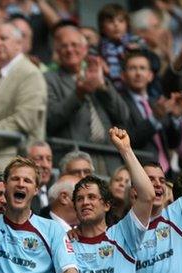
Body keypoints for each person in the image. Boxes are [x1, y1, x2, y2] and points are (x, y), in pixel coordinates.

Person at [65, 128, 154, 273]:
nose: (85, 202)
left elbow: (147, 196)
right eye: (80, 199)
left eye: (92, 197)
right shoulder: (66, 242)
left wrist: (125, 150)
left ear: (106, 205)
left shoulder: (124, 235)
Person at [46, 25, 130, 176]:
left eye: (74, 45)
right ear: (57, 52)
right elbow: (51, 120)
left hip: (108, 158)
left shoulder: (95, 73)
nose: (70, 49)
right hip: (75, 158)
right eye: (64, 46)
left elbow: (123, 115)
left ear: (85, 49)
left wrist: (103, 86)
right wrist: (79, 93)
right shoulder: (49, 79)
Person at [0, 22, 47, 170]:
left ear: (19, 44)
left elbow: (24, 120)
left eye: (3, 38)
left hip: (13, 161)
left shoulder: (30, 73)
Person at [120, 50, 182, 178]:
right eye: (133, 68)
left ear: (150, 76)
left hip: (166, 174)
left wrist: (176, 117)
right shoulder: (119, 102)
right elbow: (128, 140)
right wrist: (155, 119)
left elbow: (173, 143)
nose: (138, 73)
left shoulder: (157, 102)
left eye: (142, 68)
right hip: (139, 173)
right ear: (123, 75)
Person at [28, 140, 54, 213]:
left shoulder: (56, 194)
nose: (45, 165)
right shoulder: (20, 194)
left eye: (49, 159)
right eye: (38, 159)